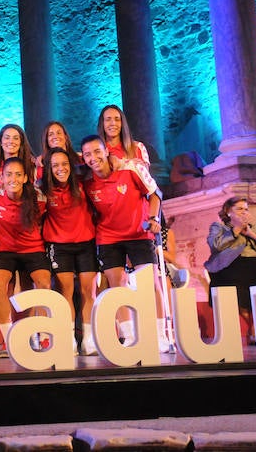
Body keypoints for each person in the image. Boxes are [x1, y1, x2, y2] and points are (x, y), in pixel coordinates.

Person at [80, 135, 171, 352]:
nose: (93, 158)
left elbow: (155, 193)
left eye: (97, 152)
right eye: (87, 155)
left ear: (106, 151)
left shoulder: (131, 169)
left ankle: (160, 335)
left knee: (150, 284)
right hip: (108, 237)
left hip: (139, 233)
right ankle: (129, 337)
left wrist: (153, 218)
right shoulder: (87, 183)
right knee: (117, 286)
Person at [0, 157, 49, 356]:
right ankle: (9, 339)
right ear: (2, 178)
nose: (13, 179)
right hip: (4, 250)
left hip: (32, 249)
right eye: (9, 174)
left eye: (18, 175)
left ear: (25, 178)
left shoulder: (39, 197)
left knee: (44, 285)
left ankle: (43, 336)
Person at [40, 147, 99, 355]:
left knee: (88, 292)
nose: (60, 168)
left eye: (64, 164)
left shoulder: (83, 183)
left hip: (86, 243)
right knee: (65, 292)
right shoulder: (43, 189)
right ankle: (68, 339)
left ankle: (89, 340)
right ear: (48, 168)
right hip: (59, 245)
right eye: (55, 165)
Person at [206, 197, 256, 344]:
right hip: (231, 265)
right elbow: (215, 246)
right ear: (228, 212)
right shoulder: (218, 227)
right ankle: (253, 328)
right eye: (239, 209)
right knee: (234, 290)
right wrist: (236, 230)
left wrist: (252, 234)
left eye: (246, 209)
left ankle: (253, 329)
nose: (244, 212)